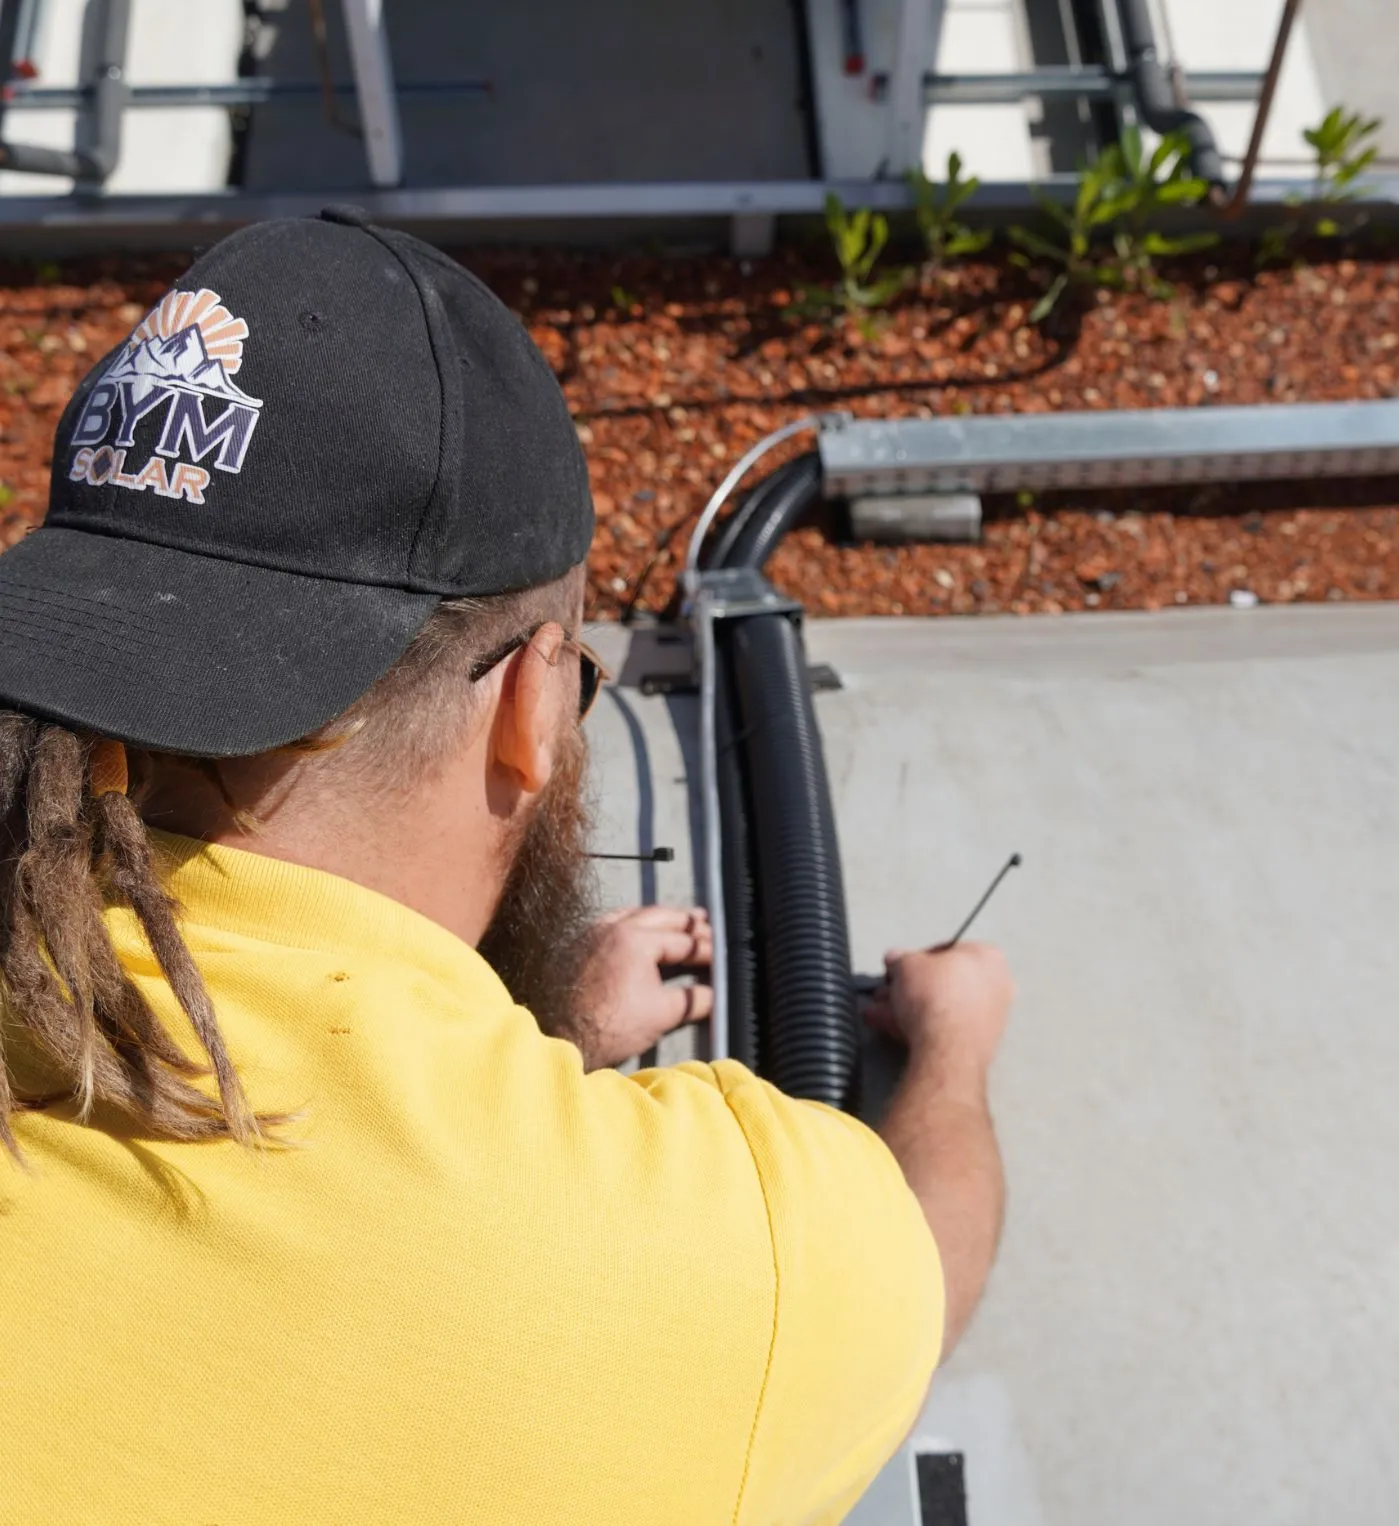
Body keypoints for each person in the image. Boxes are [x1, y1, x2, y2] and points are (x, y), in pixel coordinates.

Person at [0, 210, 1012, 1525]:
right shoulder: (728, 1261)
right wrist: (954, 1053)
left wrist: (551, 1038)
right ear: (534, 703)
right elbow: (926, 1266)